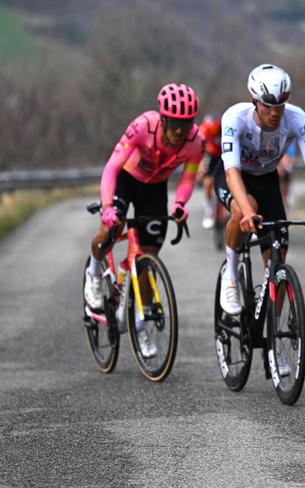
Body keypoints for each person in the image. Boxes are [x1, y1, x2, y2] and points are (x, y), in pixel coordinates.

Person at [83, 83, 205, 357]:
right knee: (110, 230)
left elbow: (188, 178)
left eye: (186, 125)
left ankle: (140, 323)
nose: (179, 132)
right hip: (126, 181)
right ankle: (94, 270)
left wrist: (180, 204)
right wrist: (107, 207)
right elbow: (112, 167)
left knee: (147, 260)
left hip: (155, 189)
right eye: (174, 124)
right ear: (163, 119)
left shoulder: (196, 143)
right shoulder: (142, 127)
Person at [216, 63, 305, 306]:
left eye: (280, 105)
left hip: (267, 179)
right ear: (255, 101)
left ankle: (271, 338)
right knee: (244, 206)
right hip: (236, 178)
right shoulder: (235, 118)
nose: (275, 112)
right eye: (268, 106)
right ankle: (231, 275)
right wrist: (248, 213)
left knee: (278, 263)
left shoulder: (297, 118)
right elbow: (231, 171)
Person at [198, 113, 223, 229]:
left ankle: (222, 210)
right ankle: (209, 210)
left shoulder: (221, 126)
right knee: (208, 183)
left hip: (222, 154)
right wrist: (200, 167)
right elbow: (200, 151)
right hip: (210, 154)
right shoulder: (203, 130)